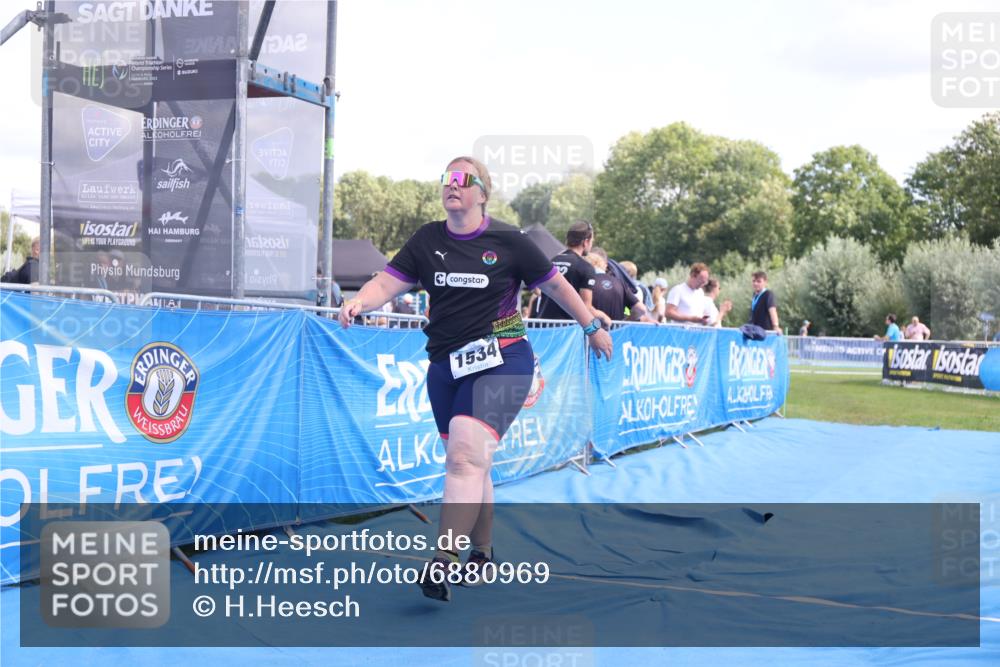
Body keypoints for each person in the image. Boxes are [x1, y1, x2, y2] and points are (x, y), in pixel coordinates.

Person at [338, 156, 613, 603]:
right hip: (446, 366)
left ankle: (444, 559)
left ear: (482, 193)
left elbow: (558, 288)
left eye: (464, 180)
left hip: (503, 357)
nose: (453, 185)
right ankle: (482, 553)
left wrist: (591, 326)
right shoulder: (427, 239)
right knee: (473, 462)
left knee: (465, 457)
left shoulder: (510, 240)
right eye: (447, 177)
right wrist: (359, 303)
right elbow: (387, 283)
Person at [533, 220, 612, 328]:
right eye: (592, 241)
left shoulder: (551, 262)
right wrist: (602, 318)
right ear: (586, 241)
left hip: (543, 327)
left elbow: (537, 290)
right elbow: (586, 307)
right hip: (566, 331)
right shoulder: (585, 267)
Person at [584, 248, 657, 323]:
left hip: (592, 331)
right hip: (617, 332)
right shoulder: (620, 283)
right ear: (605, 265)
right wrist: (625, 321)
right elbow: (640, 309)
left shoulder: (585, 282)